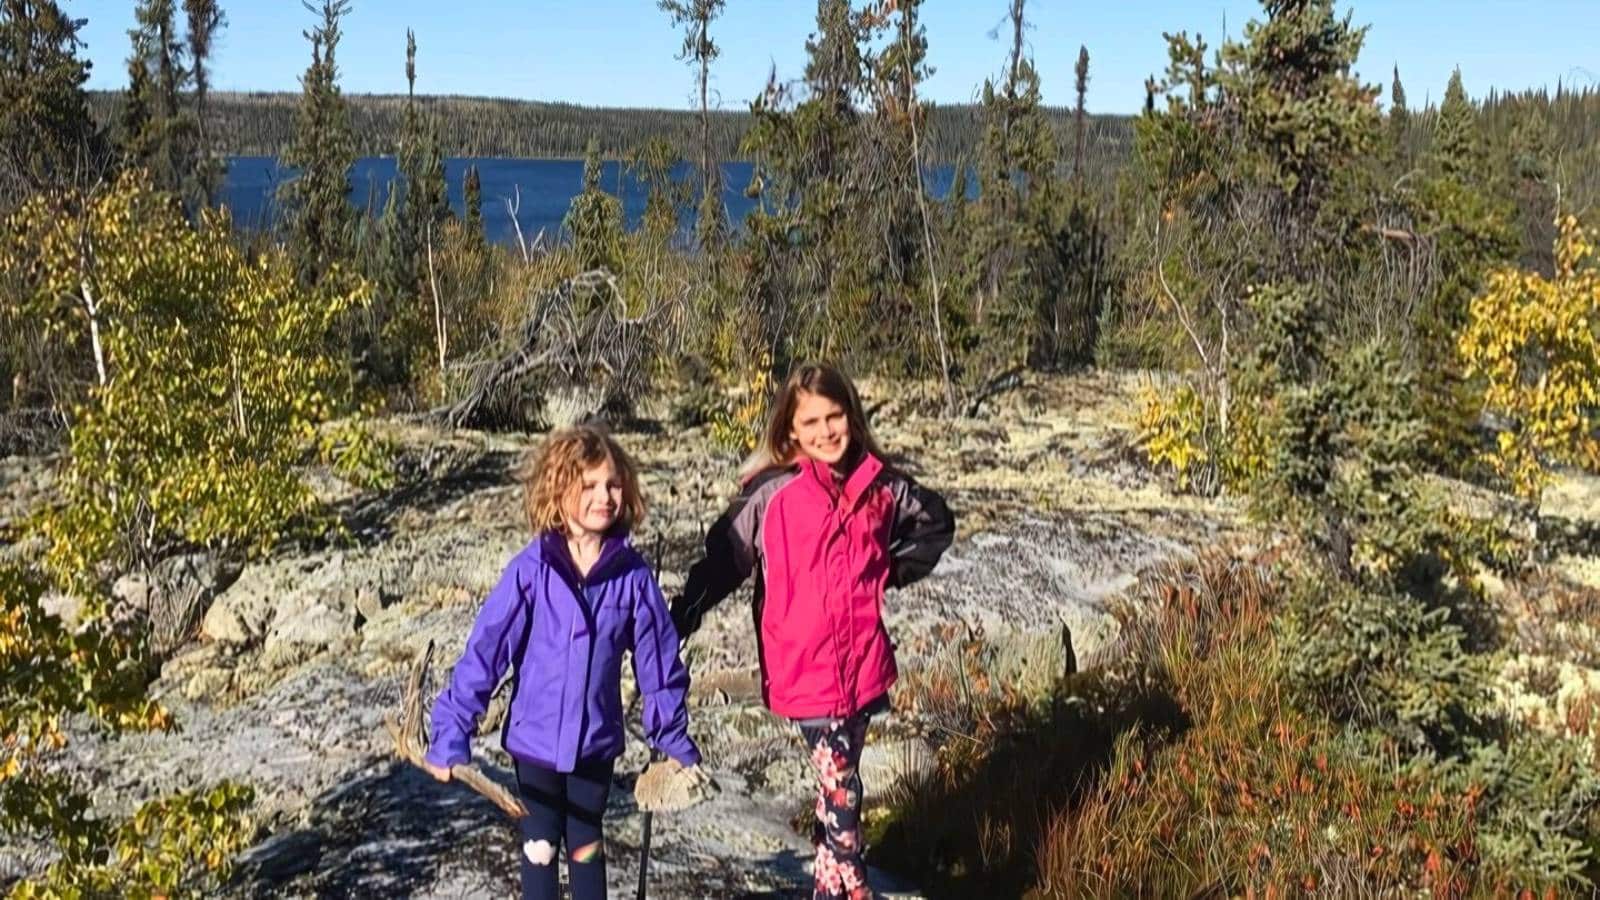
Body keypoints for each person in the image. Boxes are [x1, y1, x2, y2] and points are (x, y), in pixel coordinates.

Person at [671, 363, 955, 900]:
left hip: (864, 668)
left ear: (851, 415)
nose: (826, 431)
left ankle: (827, 884)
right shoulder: (773, 494)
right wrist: (684, 613)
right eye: (811, 421)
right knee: (841, 784)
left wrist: (888, 571)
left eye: (835, 416)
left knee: (837, 785)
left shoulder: (880, 485)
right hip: (804, 671)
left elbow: (936, 522)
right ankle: (854, 887)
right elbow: (722, 562)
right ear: (789, 430)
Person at [424, 425, 703, 900]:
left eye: (613, 484)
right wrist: (451, 731)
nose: (604, 496)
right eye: (588, 485)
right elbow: (486, 654)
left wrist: (672, 741)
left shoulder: (632, 577)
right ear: (558, 490)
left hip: (595, 745)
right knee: (540, 847)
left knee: (587, 846)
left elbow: (659, 663)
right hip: (534, 746)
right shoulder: (531, 571)